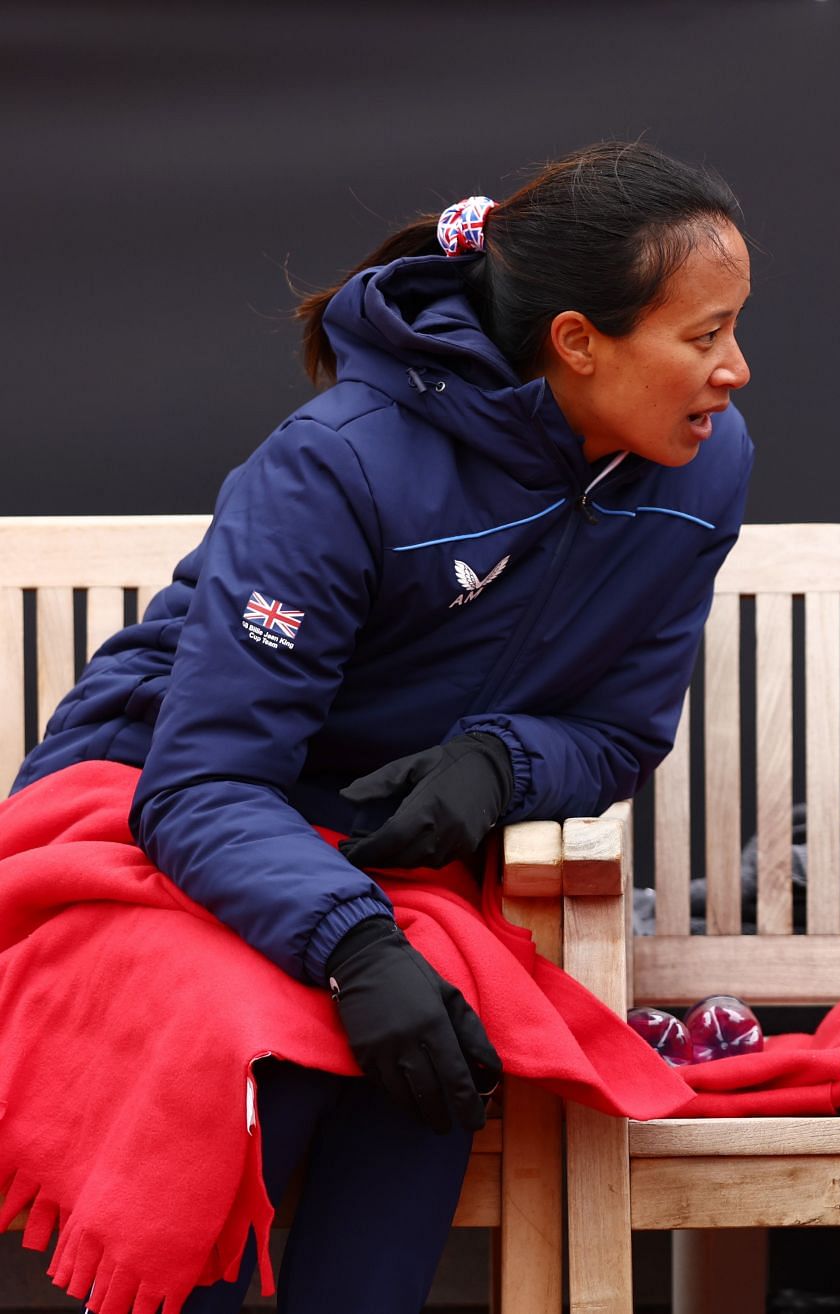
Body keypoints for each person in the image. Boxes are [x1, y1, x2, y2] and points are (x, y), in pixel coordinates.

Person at [11, 139, 752, 1311]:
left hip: (356, 847)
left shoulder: (700, 474)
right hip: (146, 812)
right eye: (703, 337)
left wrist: (496, 762)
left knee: (434, 1052)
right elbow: (199, 783)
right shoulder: (339, 466)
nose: (736, 371)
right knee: (275, 1046)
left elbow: (618, 733)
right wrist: (353, 945)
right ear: (577, 341)